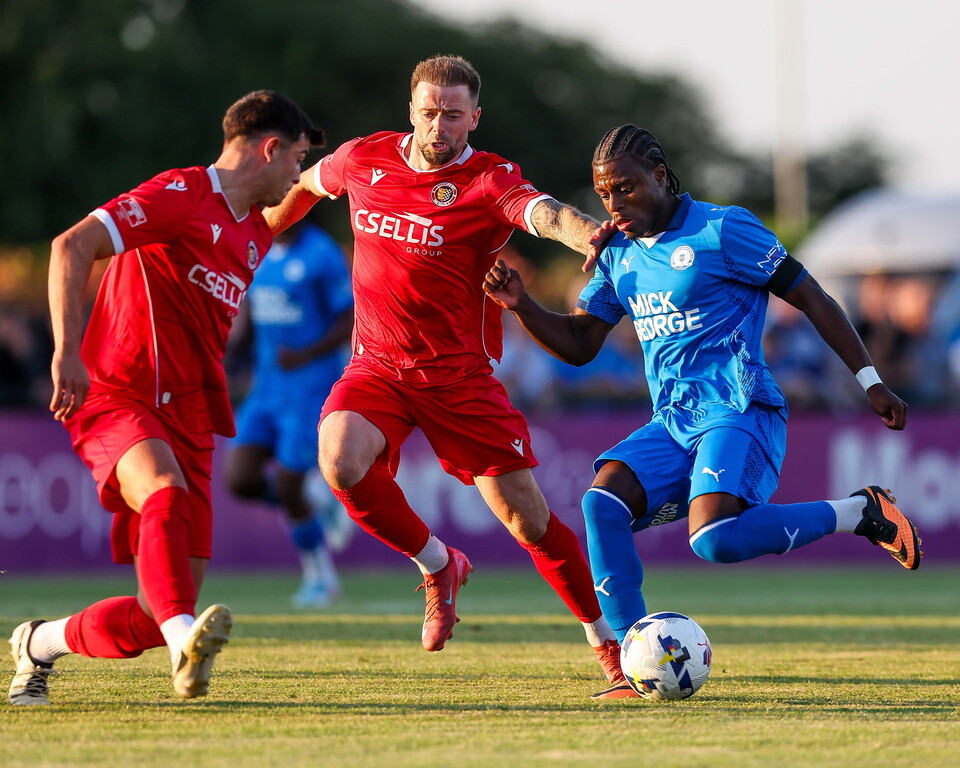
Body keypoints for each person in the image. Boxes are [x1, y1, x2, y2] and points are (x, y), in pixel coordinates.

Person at [483, 124, 923, 699]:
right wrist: (522, 305)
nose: (614, 204)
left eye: (626, 188)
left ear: (660, 176)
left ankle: (860, 512)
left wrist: (870, 380)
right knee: (602, 504)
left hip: (738, 406)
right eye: (605, 193)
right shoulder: (618, 253)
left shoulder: (723, 228)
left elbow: (811, 295)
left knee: (713, 538)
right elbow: (581, 343)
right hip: (673, 420)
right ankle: (631, 663)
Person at [264, 55, 624, 694]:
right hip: (377, 365)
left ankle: (609, 646)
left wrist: (589, 234)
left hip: (458, 377)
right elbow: (306, 185)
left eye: (453, 115)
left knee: (528, 522)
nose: (439, 126)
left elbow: (543, 213)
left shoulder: (487, 179)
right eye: (429, 112)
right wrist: (258, 231)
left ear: (474, 118)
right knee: (339, 460)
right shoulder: (364, 158)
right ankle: (438, 565)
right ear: (411, 110)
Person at [8, 90, 322, 706]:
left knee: (160, 609)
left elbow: (314, 189)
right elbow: (70, 245)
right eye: (297, 158)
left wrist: (367, 164)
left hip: (191, 416)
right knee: (162, 490)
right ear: (270, 148)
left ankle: (40, 642)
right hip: (118, 391)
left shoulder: (253, 232)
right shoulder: (181, 194)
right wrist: (67, 350)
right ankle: (184, 646)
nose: (297, 173)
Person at [225, 218, 354, 608]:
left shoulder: (321, 253)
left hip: (309, 389)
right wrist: (229, 357)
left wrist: (305, 354)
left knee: (288, 485)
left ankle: (322, 578)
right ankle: (318, 502)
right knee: (240, 479)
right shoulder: (258, 251)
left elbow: (348, 318)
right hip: (265, 389)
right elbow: (252, 314)